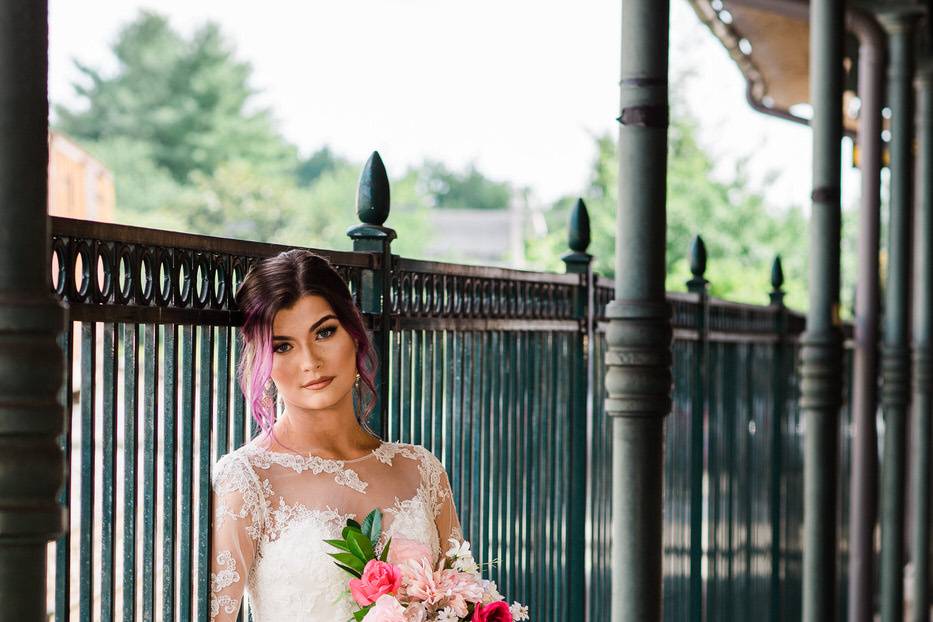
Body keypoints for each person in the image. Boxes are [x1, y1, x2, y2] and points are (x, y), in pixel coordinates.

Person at [210, 249, 463, 621]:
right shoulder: (247, 480)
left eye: (325, 332)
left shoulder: (420, 470)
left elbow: (464, 604)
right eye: (283, 346)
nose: (309, 361)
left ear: (354, 335)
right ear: (262, 360)